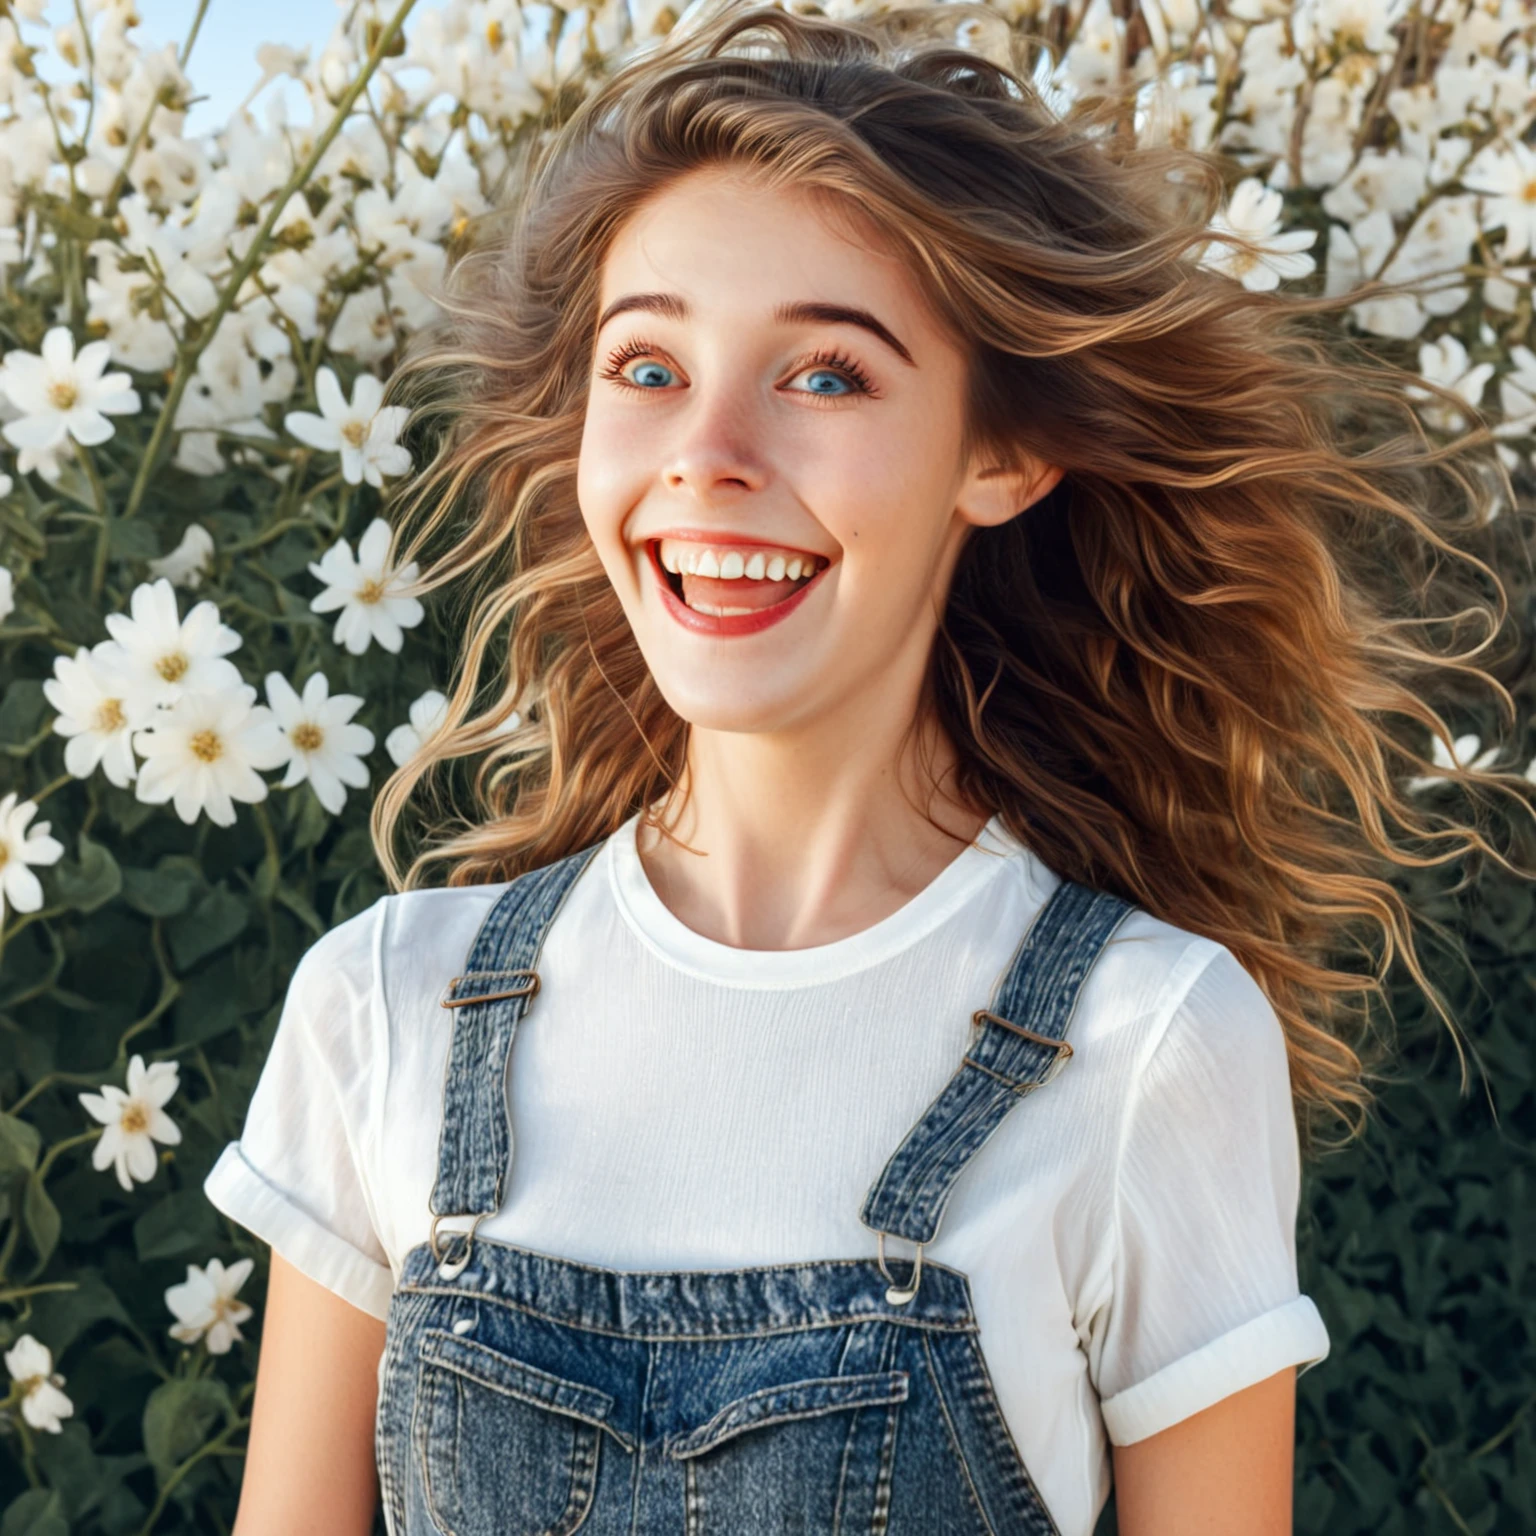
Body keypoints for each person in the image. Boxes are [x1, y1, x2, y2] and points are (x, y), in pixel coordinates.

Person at [204, 4, 1523, 1533]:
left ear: (1003, 457)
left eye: (825, 377)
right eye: (646, 367)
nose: (708, 451)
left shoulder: (1149, 1043)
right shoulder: (385, 1005)